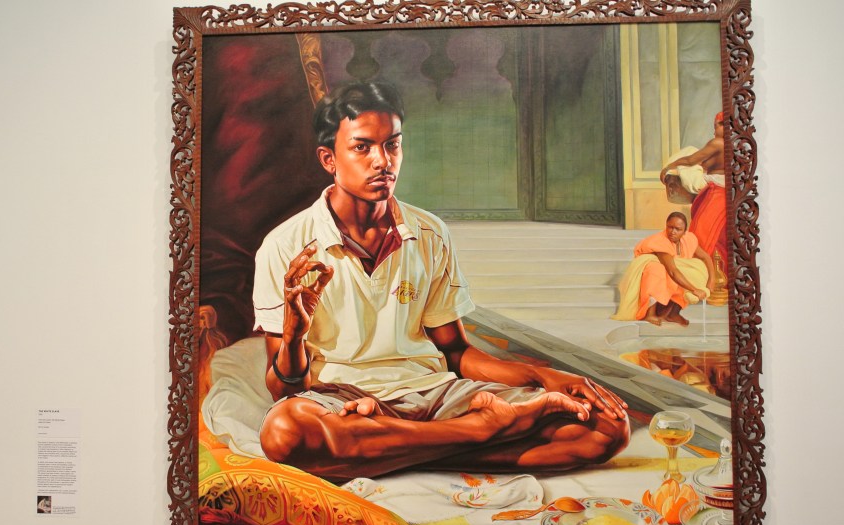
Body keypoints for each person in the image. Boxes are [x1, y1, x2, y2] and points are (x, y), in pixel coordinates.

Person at [252, 82, 629, 482]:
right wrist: (294, 335)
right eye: (362, 147)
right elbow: (284, 390)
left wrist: (544, 377)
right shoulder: (286, 246)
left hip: (433, 394)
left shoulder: (429, 233)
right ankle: (480, 431)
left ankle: (391, 449)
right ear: (329, 159)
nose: (383, 161)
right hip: (342, 400)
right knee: (285, 431)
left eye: (392, 145)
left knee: (606, 428)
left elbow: (455, 352)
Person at [612, 212, 715, 326]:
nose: (673, 232)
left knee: (697, 266)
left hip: (672, 270)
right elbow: (672, 271)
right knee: (657, 269)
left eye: (678, 229)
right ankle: (649, 313)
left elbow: (705, 257)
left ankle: (673, 314)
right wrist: (694, 290)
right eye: (670, 227)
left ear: (684, 231)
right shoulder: (660, 241)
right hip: (653, 270)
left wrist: (711, 280)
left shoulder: (689, 239)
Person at [660, 111, 727, 263]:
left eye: (716, 126)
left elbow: (691, 160)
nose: (714, 131)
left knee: (701, 236)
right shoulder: (732, 146)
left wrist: (669, 166)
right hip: (721, 192)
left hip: (717, 194)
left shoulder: (718, 143)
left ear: (726, 126)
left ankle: (698, 269)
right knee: (716, 236)